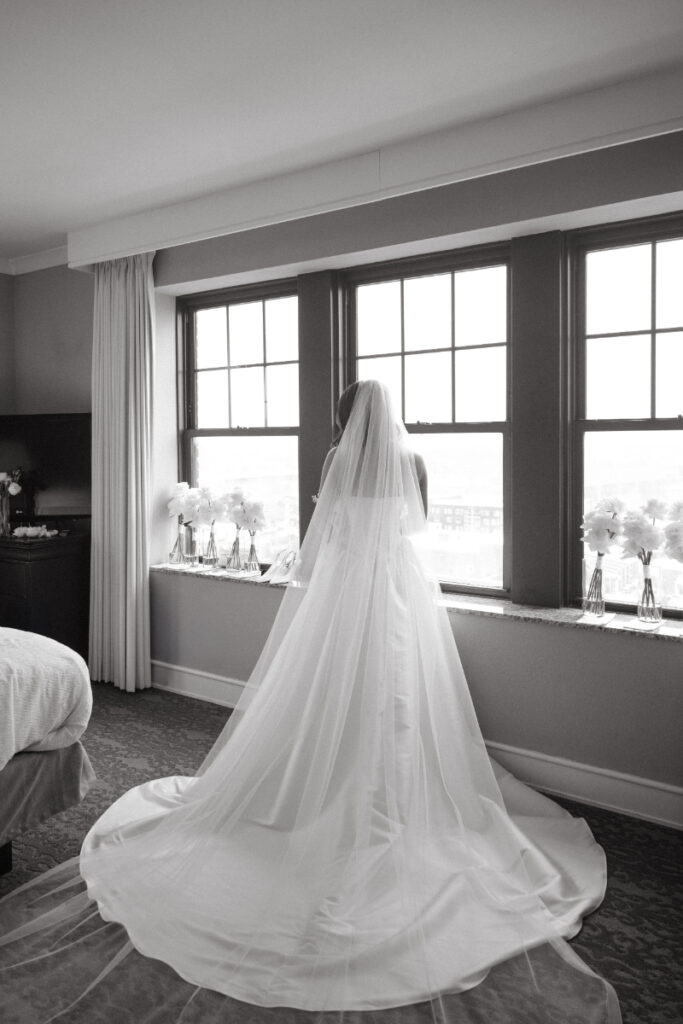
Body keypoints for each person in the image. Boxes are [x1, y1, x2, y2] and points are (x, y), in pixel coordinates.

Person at [0, 380, 620, 1023]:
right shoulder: (413, 460)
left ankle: (325, 780)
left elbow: (325, 530)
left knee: (330, 686)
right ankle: (387, 791)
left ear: (346, 417)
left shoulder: (335, 459)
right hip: (397, 584)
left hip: (345, 583)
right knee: (396, 691)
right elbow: (417, 526)